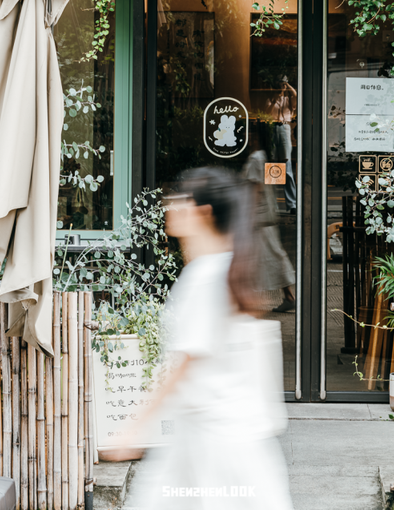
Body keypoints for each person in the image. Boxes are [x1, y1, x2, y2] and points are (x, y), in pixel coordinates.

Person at [103, 166, 293, 510]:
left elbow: (180, 367)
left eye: (180, 198)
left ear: (203, 213)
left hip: (212, 448)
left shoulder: (204, 276)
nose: (169, 204)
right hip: (230, 444)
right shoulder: (225, 270)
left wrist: (132, 431)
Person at [242, 126, 296, 314]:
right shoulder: (264, 157)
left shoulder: (256, 159)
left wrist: (248, 215)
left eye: (251, 134)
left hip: (259, 217)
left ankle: (288, 296)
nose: (248, 138)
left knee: (270, 255)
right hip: (266, 215)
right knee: (269, 255)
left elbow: (255, 189)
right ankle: (288, 295)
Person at [265, 77, 297, 213]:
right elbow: (267, 113)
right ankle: (272, 205)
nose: (282, 87)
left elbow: (295, 95)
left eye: (284, 84)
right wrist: (275, 96)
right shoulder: (270, 98)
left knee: (287, 165)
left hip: (284, 128)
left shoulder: (289, 100)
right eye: (280, 83)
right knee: (272, 167)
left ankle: (292, 204)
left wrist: (288, 86)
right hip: (272, 127)